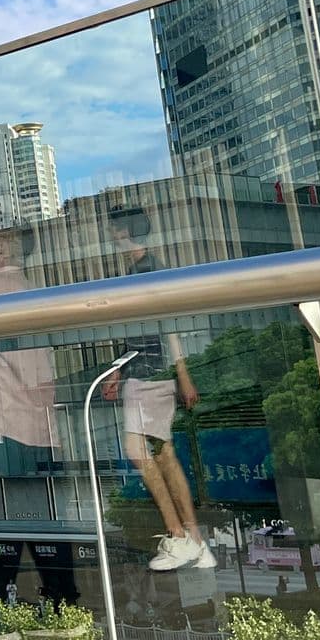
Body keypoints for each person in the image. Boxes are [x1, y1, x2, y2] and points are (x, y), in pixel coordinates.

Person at [103, 206, 214, 575]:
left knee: (144, 451)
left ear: (124, 232)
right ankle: (193, 540)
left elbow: (168, 321)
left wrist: (183, 372)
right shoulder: (144, 266)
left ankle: (180, 534)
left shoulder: (147, 268)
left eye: (116, 231)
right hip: (146, 370)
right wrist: (120, 370)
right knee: (162, 452)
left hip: (151, 372)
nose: (113, 237)